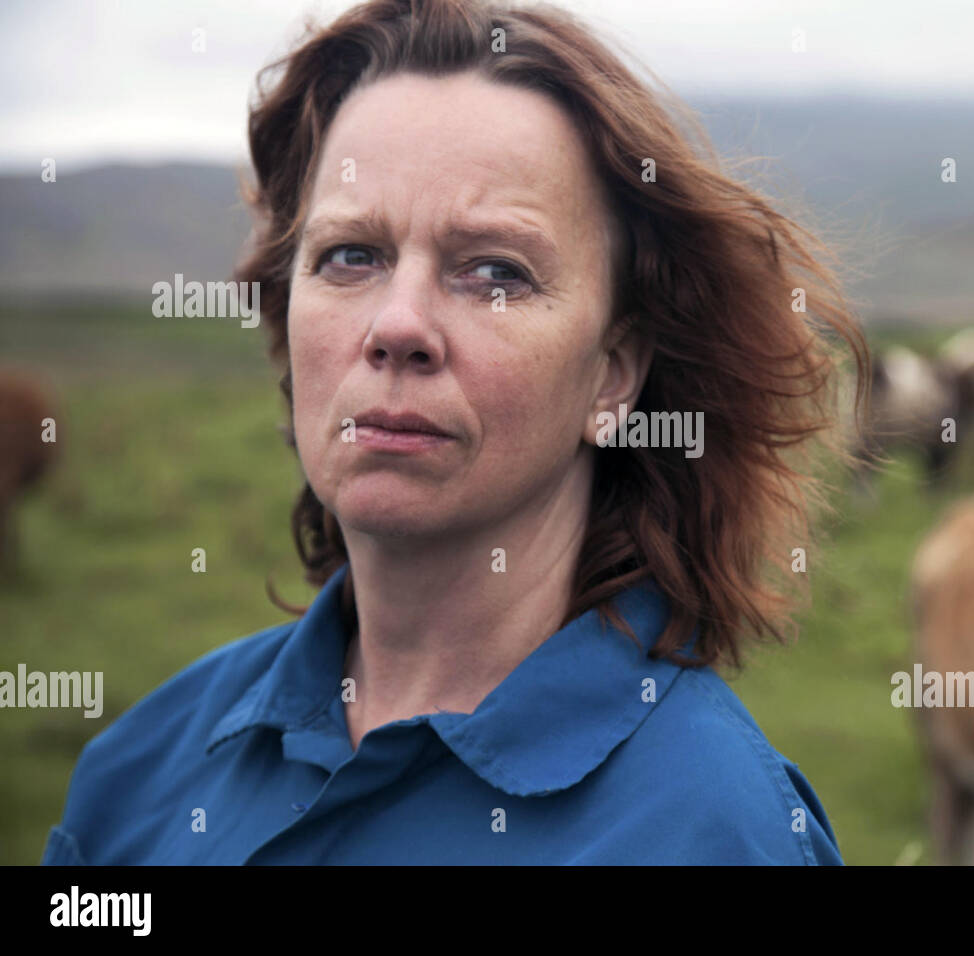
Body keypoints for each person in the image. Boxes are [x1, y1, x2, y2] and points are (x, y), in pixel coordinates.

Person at [42, 0, 868, 865]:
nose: (398, 326)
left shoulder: (704, 833)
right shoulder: (140, 767)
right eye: (351, 255)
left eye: (494, 271)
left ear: (614, 376)